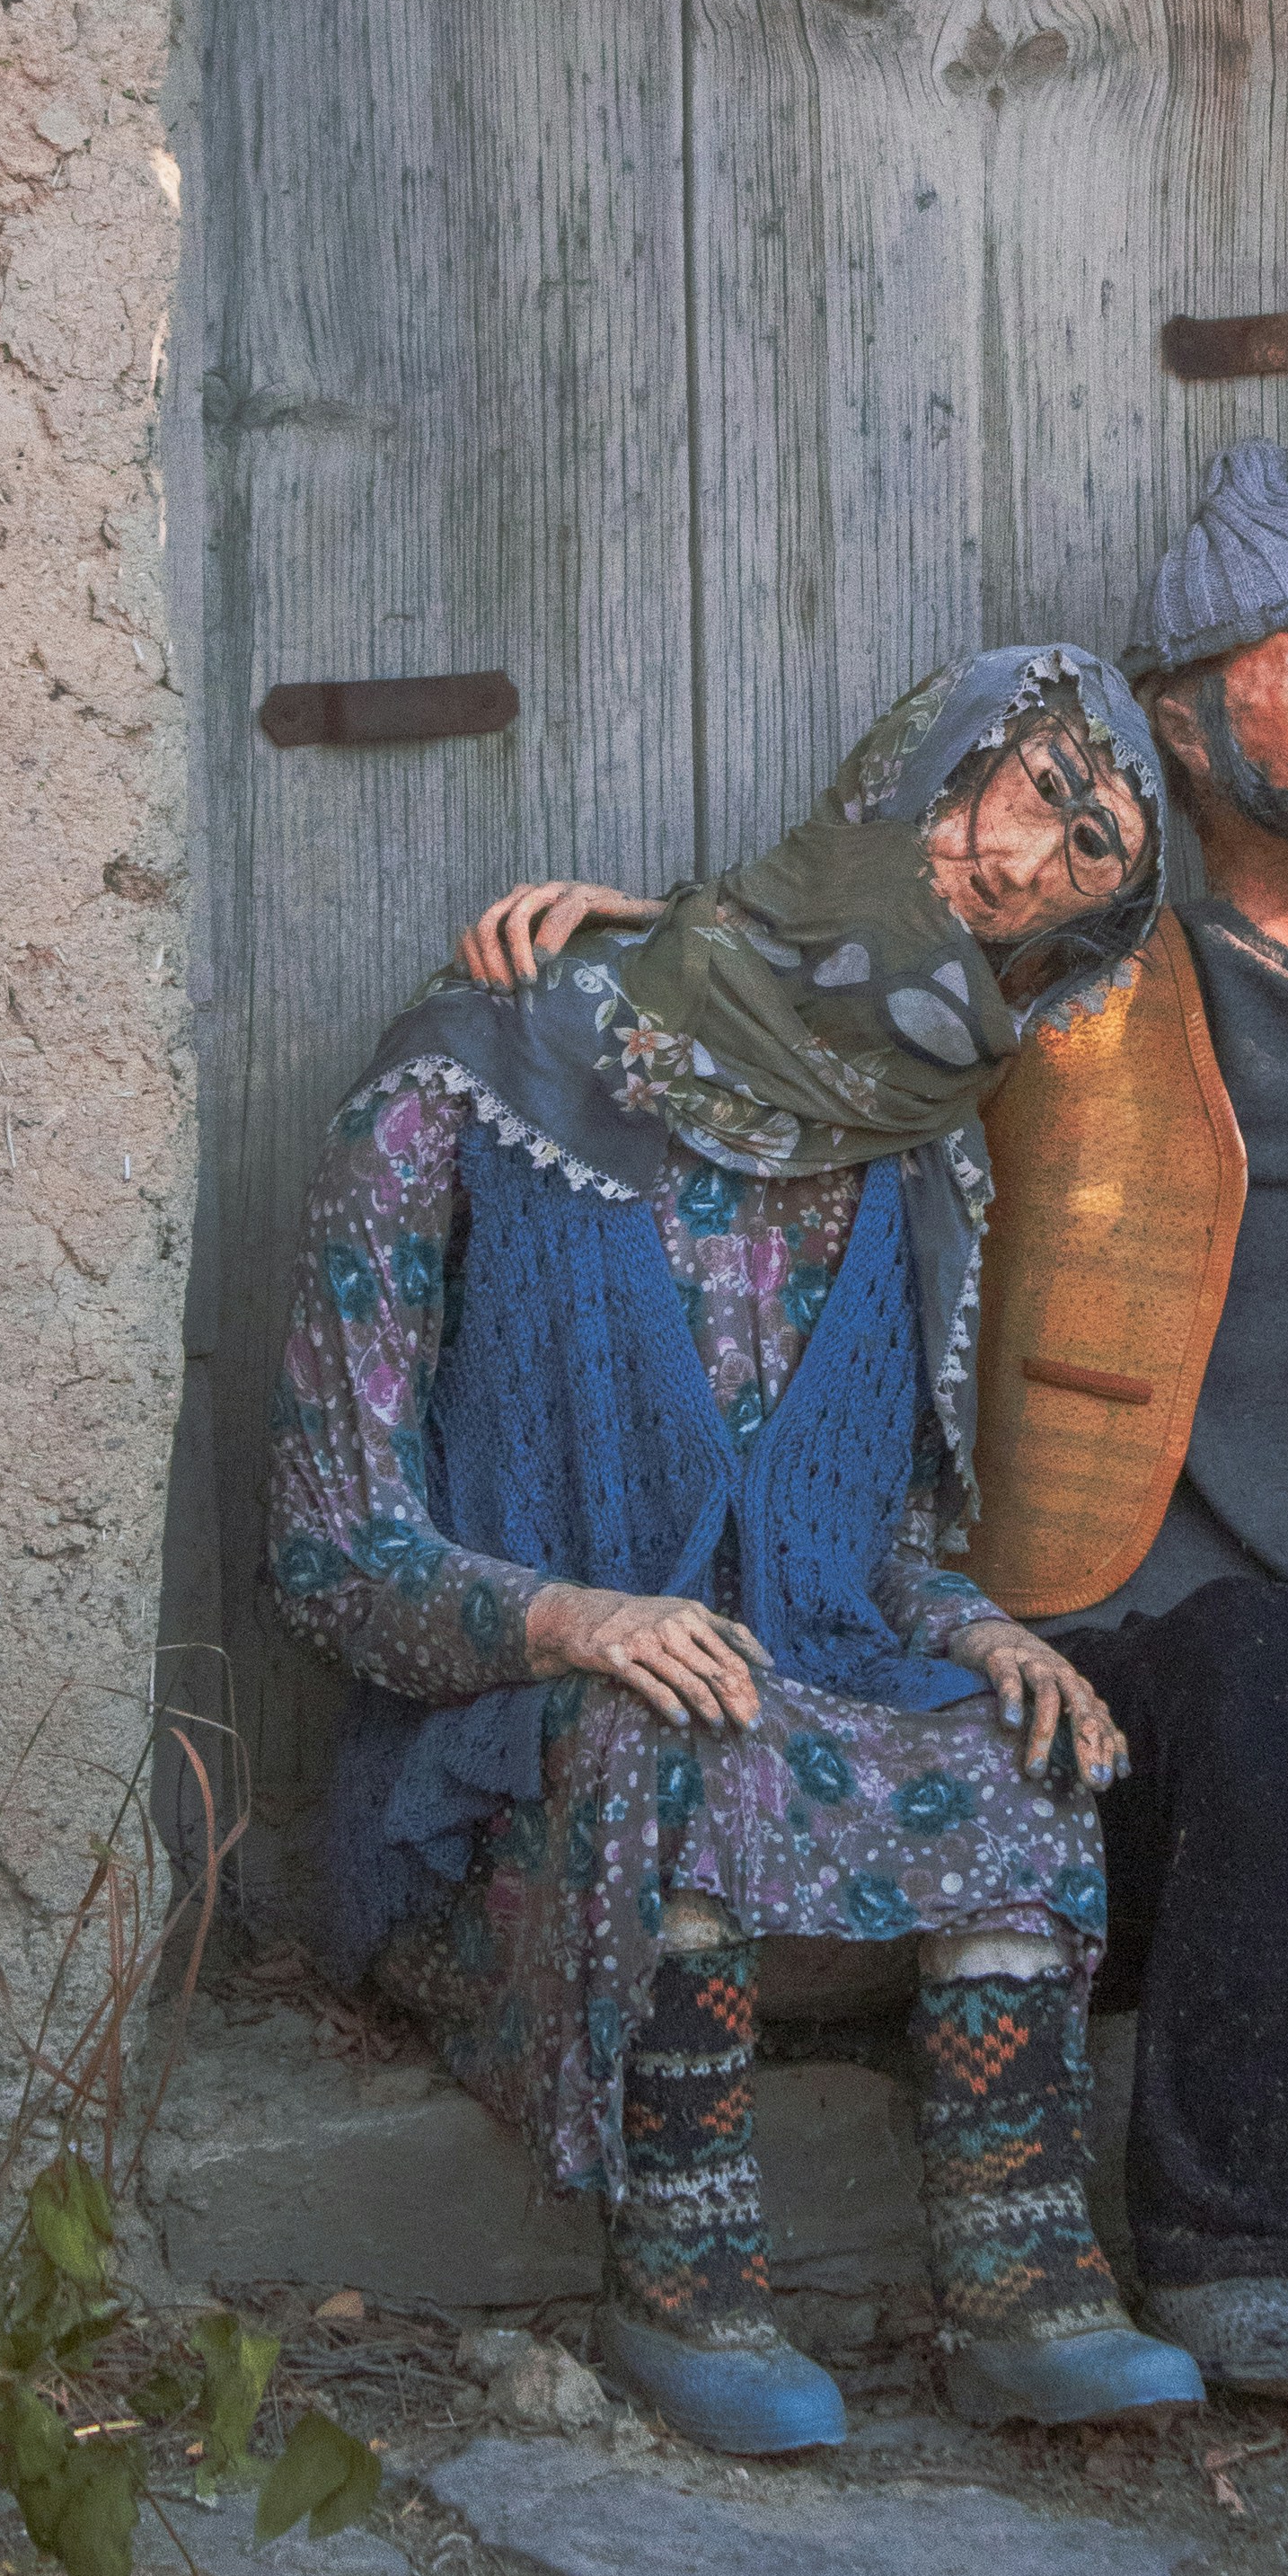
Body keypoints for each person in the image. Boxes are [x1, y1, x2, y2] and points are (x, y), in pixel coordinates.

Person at [470, 447, 1288, 2414]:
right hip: (1113, 1739)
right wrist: (653, 945)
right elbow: (848, 994)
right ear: (1181, 722)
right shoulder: (1062, 1003)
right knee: (1260, 1659)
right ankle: (1241, 2246)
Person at [265, 647, 1205, 2455]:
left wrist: (985, 1630)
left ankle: (1017, 2289)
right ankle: (681, 2278)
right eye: (1031, 790)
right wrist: (566, 1613)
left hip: (796, 1741)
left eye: (1080, 861)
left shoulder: (922, 1157)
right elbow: (327, 1544)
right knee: (666, 1730)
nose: (1019, 867)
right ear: (917, 755)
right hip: (502, 1770)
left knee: (1014, 1759)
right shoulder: (486, 1057)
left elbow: (888, 1560)